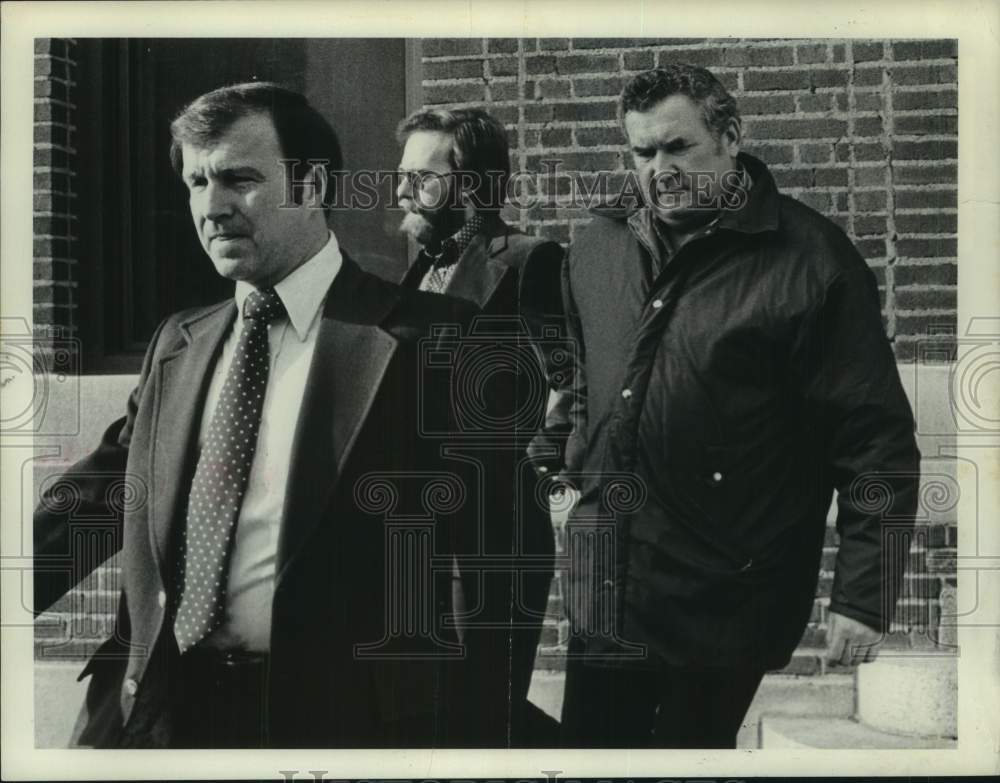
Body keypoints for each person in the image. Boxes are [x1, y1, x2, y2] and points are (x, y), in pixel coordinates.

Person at [33, 82, 479, 748]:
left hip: (335, 729)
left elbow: (495, 568)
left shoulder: (434, 339)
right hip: (155, 717)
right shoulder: (177, 344)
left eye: (238, 179)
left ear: (311, 184)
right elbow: (94, 505)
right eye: (195, 181)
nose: (210, 207)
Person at [557, 64, 921, 748]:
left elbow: (876, 440)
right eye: (642, 153)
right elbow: (584, 378)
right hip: (605, 583)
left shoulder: (813, 262)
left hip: (727, 596)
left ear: (729, 137)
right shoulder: (598, 246)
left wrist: (865, 594)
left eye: (677, 147)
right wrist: (568, 471)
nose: (658, 169)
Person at [394, 107, 570, 746]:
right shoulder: (418, 271)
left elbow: (577, 376)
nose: (400, 191)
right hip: (421, 532)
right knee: (433, 706)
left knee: (482, 710)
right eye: (400, 175)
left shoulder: (529, 260)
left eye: (420, 177)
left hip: (497, 534)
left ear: (470, 184)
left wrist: (536, 460)